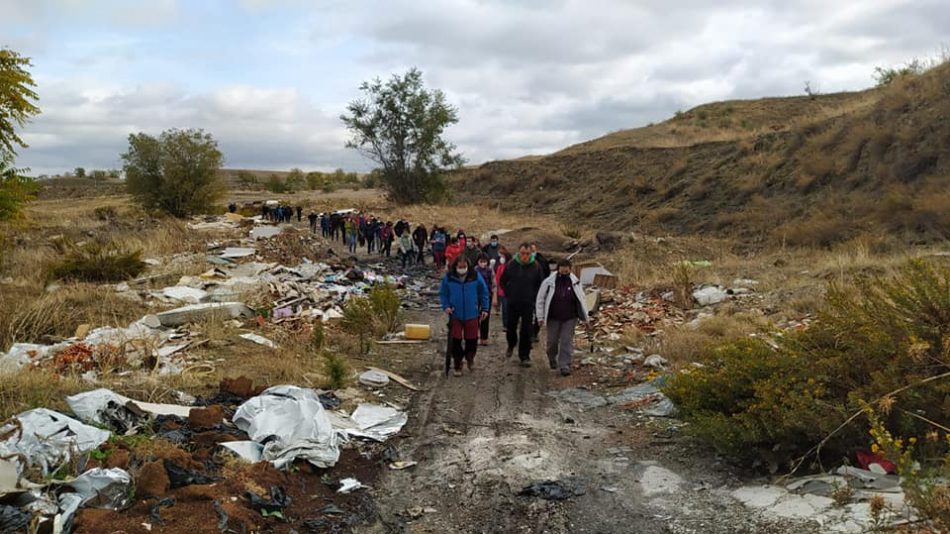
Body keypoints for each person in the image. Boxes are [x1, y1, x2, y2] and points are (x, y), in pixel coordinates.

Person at [536, 258, 590, 376]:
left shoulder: (575, 282)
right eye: (562, 272)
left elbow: (582, 299)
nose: (564, 274)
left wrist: (586, 318)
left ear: (570, 270)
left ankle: (565, 365)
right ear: (558, 270)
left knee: (566, 341)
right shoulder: (548, 282)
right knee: (552, 342)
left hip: (570, 317)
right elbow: (540, 299)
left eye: (567, 272)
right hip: (553, 317)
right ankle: (551, 357)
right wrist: (540, 317)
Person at [439, 257, 490, 376]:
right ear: (455, 266)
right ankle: (458, 363)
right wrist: (446, 306)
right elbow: (444, 293)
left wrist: (485, 308)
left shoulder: (475, 276)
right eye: (460, 267)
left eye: (464, 267)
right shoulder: (449, 277)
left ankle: (469, 357)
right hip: (455, 314)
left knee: (471, 339)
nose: (462, 269)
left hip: (472, 313)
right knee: (455, 340)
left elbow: (484, 292)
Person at [500, 243, 545, 367]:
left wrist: (534, 297)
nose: (525, 256)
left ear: (531, 254)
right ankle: (511, 344)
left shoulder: (536, 266)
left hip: (528, 303)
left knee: (526, 330)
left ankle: (524, 356)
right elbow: (503, 281)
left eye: (527, 253)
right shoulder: (512, 264)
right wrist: (509, 293)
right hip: (513, 302)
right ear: (519, 253)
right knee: (511, 327)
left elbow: (540, 284)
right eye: (522, 253)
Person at [474, 254, 496, 345]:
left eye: (484, 262)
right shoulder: (474, 271)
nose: (483, 263)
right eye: (481, 261)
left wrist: (494, 296)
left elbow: (494, 284)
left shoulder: (490, 271)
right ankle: (474, 335)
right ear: (478, 261)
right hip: (475, 296)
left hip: (487, 296)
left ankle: (484, 337)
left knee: (485, 316)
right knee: (475, 316)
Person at [494, 249, 511, 331]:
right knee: (504, 308)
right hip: (501, 290)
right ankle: (505, 324)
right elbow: (497, 279)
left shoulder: (510, 267)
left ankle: (509, 323)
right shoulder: (500, 267)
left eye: (503, 257)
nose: (501, 258)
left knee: (508, 308)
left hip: (508, 290)